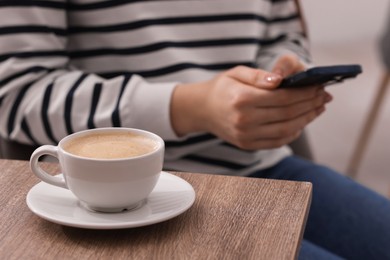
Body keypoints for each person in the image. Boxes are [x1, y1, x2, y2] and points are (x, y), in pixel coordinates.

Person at [0, 0, 389, 258]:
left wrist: (281, 72)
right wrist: (192, 107)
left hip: (266, 167)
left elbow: (282, 33)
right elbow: (17, 92)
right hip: (118, 200)